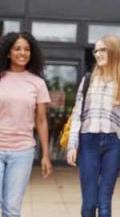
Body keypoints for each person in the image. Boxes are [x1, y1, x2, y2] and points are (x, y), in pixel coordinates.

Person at [66, 35, 120, 217]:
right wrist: (72, 145)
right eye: (96, 50)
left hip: (113, 144)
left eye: (102, 49)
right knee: (89, 203)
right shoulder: (88, 80)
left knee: (104, 202)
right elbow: (77, 115)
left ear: (114, 51)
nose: (98, 54)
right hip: (88, 142)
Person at [0, 32, 52, 216]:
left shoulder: (37, 83)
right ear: (8, 52)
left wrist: (45, 154)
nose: (23, 53)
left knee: (12, 209)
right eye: (17, 49)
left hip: (22, 152)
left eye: (27, 49)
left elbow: (41, 120)